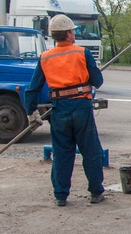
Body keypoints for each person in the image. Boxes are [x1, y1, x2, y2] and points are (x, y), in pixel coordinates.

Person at [24, 14, 106, 207]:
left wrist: (31, 112)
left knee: (62, 153)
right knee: (91, 150)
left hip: (59, 109)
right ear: (68, 34)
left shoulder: (45, 57)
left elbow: (32, 88)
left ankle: (61, 195)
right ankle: (95, 192)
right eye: (73, 32)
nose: (74, 35)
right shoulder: (82, 53)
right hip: (81, 107)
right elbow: (97, 81)